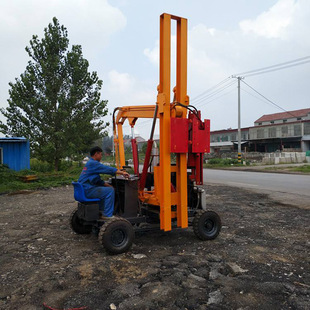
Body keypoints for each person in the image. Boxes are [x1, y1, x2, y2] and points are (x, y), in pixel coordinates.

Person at [78, 146, 129, 219]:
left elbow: (97, 180)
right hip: (88, 190)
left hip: (85, 189)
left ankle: (101, 211)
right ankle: (107, 215)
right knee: (110, 191)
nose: (101, 156)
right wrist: (122, 173)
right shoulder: (93, 163)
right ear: (96, 154)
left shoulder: (90, 163)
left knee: (107, 189)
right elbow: (106, 169)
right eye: (100, 154)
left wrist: (108, 185)